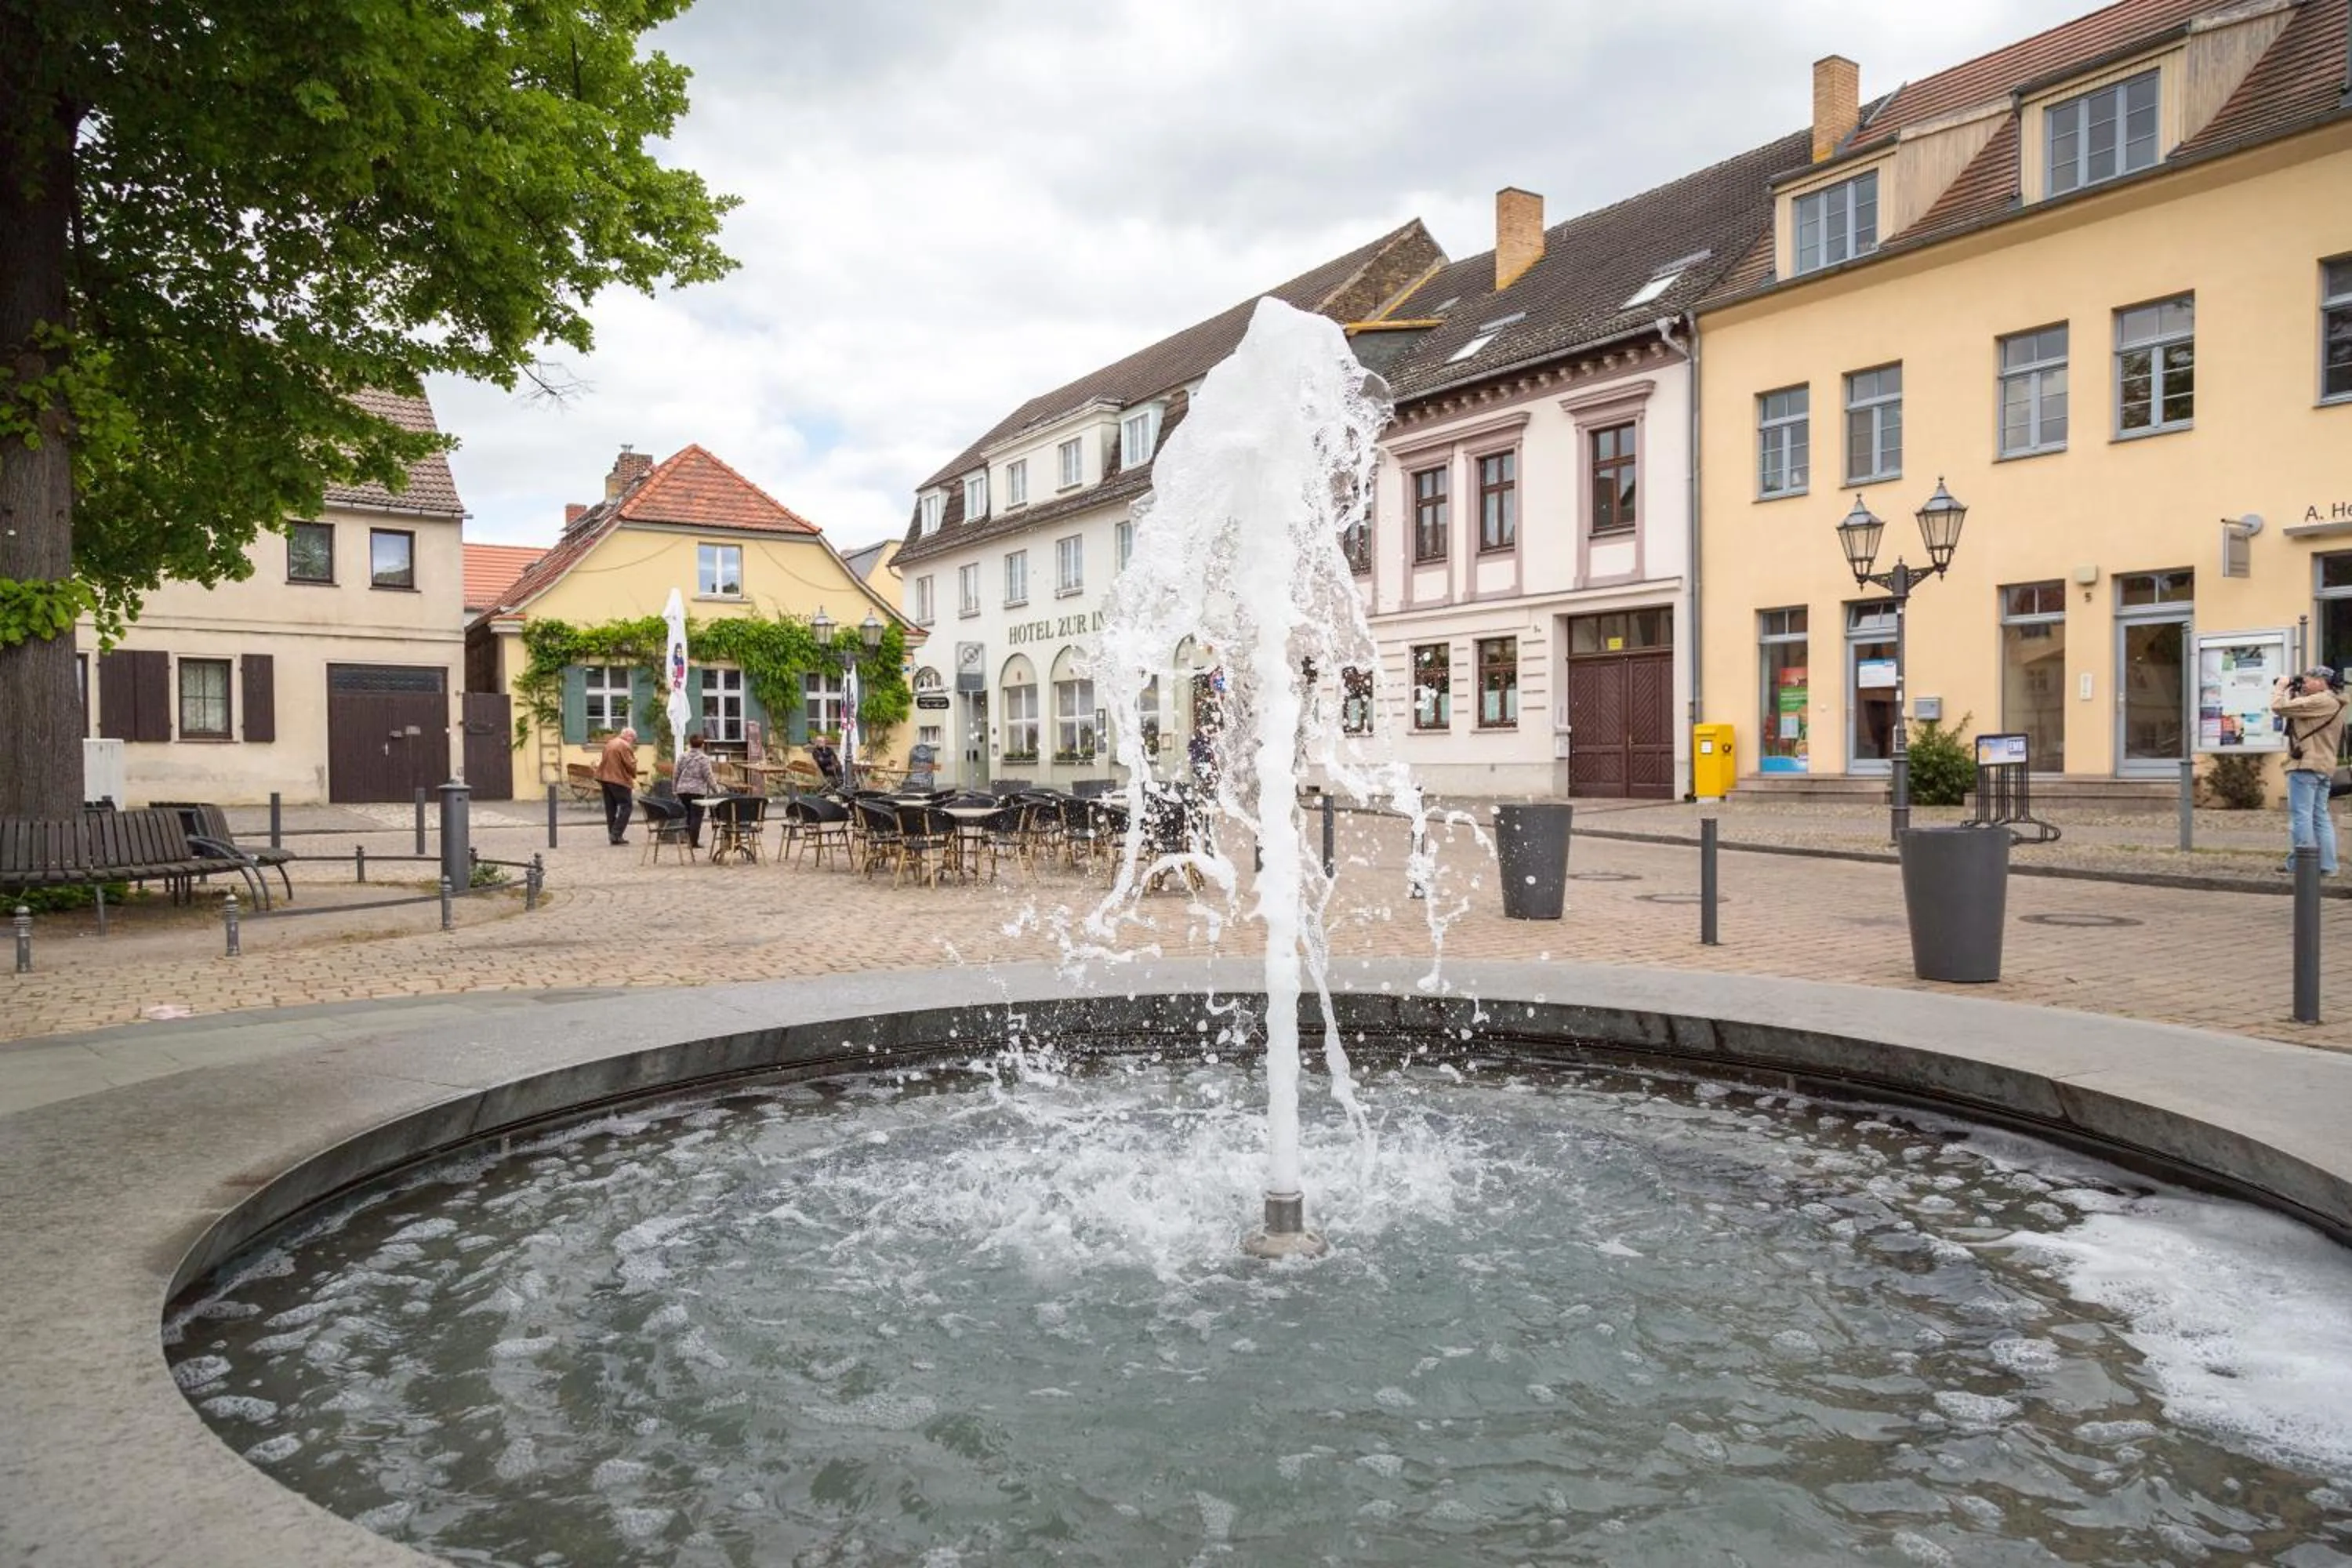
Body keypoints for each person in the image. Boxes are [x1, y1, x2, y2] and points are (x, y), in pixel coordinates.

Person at [2270, 666, 2347, 875]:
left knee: (2301, 816)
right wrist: (2297, 692)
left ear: (2322, 682)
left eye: (2308, 680)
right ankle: (2327, 865)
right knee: (2320, 816)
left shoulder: (2320, 701)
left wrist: (2280, 687)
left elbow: (2279, 707)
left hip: (2305, 766)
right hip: (2323, 766)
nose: (2304, 684)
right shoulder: (2333, 702)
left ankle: (2301, 865)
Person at [672, 731, 718, 851]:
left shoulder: (682, 756)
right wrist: (716, 790)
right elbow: (708, 776)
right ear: (702, 745)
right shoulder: (704, 758)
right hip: (697, 791)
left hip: (682, 790)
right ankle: (693, 842)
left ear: (689, 744)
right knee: (697, 816)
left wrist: (674, 789)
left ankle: (688, 837)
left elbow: (676, 774)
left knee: (688, 815)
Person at [595, 726, 639, 845]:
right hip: (618, 780)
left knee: (611, 808)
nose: (633, 742)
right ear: (629, 736)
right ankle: (616, 833)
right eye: (633, 739)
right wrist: (635, 767)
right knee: (627, 807)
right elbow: (630, 765)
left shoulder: (610, 743)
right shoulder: (624, 746)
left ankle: (613, 835)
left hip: (605, 778)